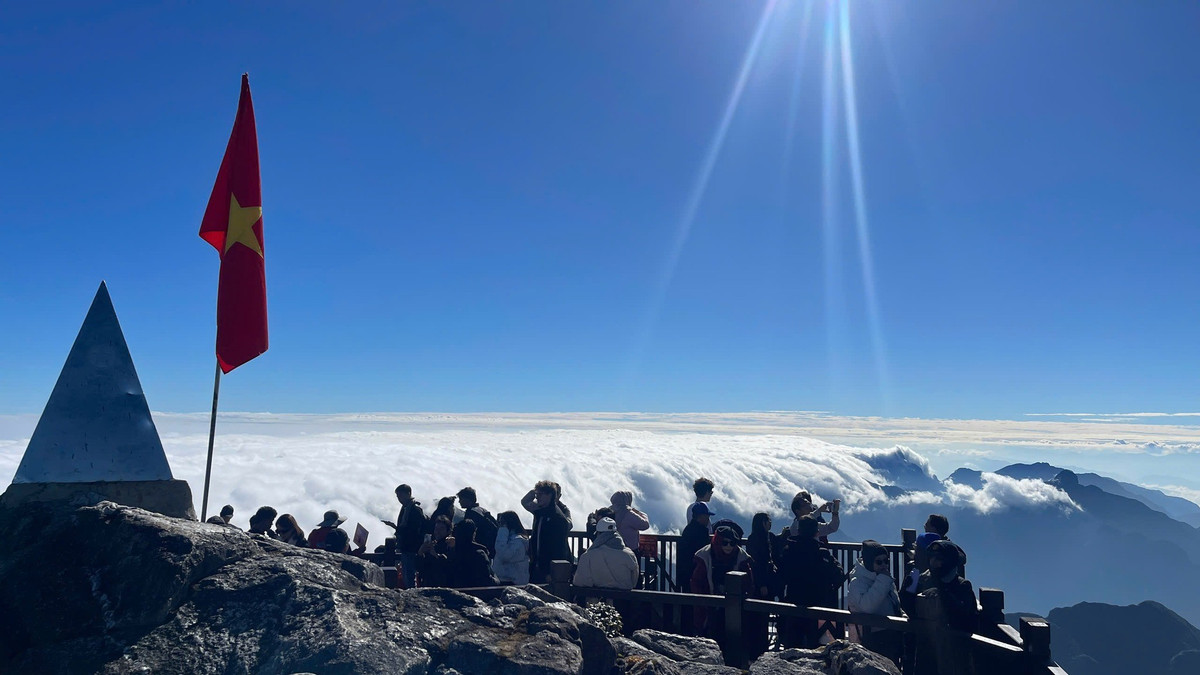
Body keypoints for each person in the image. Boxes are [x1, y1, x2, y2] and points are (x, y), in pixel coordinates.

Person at [778, 516, 845, 648]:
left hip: (793, 604)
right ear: (817, 533)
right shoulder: (822, 554)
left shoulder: (788, 551)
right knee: (815, 647)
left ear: (798, 531)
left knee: (793, 646)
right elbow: (838, 574)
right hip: (818, 607)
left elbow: (781, 576)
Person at [912, 539, 977, 675]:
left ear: (949, 561)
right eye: (932, 558)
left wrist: (942, 593)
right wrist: (912, 578)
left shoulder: (962, 586)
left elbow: (963, 617)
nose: (933, 562)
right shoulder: (922, 579)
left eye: (939, 559)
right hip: (927, 649)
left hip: (954, 652)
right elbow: (906, 601)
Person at [690, 525, 754, 652]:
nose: (729, 546)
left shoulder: (741, 558)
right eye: (725, 542)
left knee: (733, 642)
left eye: (733, 543)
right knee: (711, 641)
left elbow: (749, 583)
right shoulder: (705, 557)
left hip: (734, 608)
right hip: (709, 608)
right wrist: (704, 602)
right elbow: (696, 582)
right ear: (717, 542)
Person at [847, 540, 905, 667]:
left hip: (890, 634)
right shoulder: (858, 582)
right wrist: (883, 580)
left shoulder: (882, 577)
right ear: (868, 562)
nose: (884, 564)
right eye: (879, 562)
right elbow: (867, 607)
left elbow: (894, 603)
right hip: (873, 638)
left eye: (886, 561)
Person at [521, 480, 574, 583]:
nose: (537, 497)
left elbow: (559, 547)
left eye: (540, 494)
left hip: (549, 569)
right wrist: (534, 491)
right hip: (537, 564)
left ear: (549, 495)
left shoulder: (558, 518)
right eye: (537, 495)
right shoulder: (539, 511)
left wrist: (551, 572)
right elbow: (525, 502)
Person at [745, 512, 782, 658]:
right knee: (761, 615)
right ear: (762, 523)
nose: (770, 523)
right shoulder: (757, 539)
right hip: (763, 582)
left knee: (762, 614)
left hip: (767, 582)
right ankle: (759, 647)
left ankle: (760, 646)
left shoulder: (760, 538)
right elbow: (756, 564)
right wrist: (761, 584)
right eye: (768, 521)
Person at [573, 517, 639, 590]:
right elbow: (634, 580)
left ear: (598, 534)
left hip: (596, 599)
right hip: (624, 599)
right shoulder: (629, 554)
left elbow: (580, 582)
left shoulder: (588, 555)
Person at [382, 484, 427, 589]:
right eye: (398, 497)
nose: (399, 499)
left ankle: (412, 595)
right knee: (406, 574)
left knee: (409, 575)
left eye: (401, 496)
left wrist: (396, 528)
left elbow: (413, 530)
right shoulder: (406, 508)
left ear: (408, 494)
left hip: (411, 547)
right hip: (406, 547)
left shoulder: (414, 509)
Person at [677, 501, 713, 595]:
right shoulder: (702, 532)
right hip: (695, 569)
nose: (708, 519)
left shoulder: (688, 529)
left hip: (685, 571)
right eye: (707, 516)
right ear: (700, 516)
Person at [448, 519, 498, 588]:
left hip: (457, 593)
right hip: (476, 594)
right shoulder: (479, 554)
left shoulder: (452, 552)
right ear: (474, 533)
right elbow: (486, 581)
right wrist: (496, 579)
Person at [457, 487, 499, 558]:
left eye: (461, 499)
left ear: (468, 499)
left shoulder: (472, 513)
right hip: (493, 546)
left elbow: (468, 532)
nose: (459, 501)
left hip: (484, 547)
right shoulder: (481, 510)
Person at [493, 511, 530, 585]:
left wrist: (502, 531)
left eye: (501, 522)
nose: (499, 525)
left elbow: (504, 555)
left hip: (511, 581)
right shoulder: (512, 539)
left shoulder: (518, 541)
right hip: (507, 579)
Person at [417, 515, 454, 587]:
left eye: (441, 529)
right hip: (428, 584)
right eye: (436, 529)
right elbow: (420, 567)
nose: (438, 532)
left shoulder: (450, 545)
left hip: (444, 585)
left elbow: (449, 566)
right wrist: (420, 553)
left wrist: (435, 554)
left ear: (448, 531)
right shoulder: (432, 545)